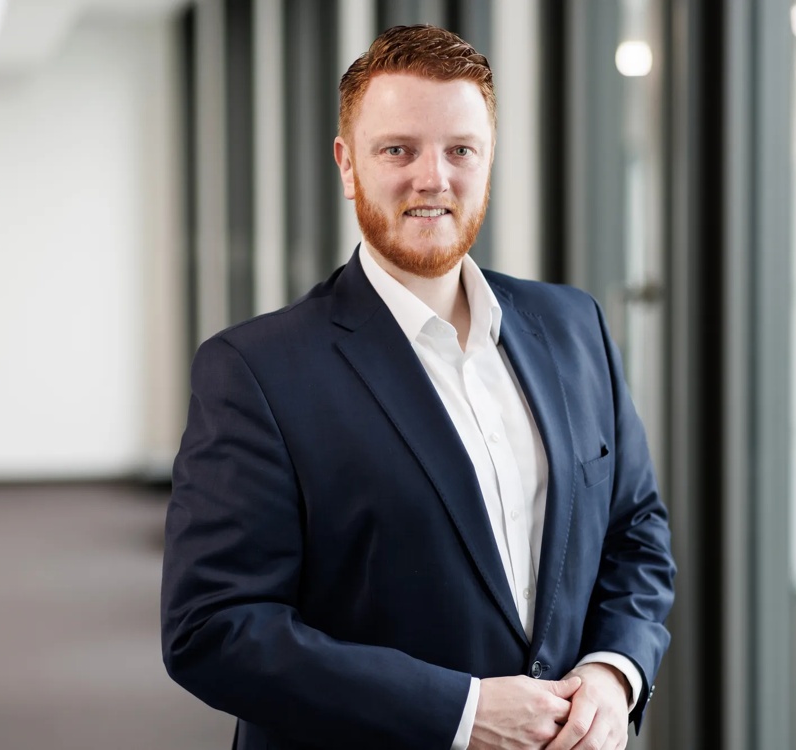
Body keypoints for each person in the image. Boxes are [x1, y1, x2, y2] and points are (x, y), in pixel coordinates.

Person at [161, 24, 675, 750]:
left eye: (461, 150)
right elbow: (213, 629)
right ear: (347, 165)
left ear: (488, 162)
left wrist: (613, 670)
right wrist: (461, 712)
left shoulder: (574, 326)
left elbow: (636, 529)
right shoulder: (256, 371)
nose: (433, 177)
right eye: (398, 149)